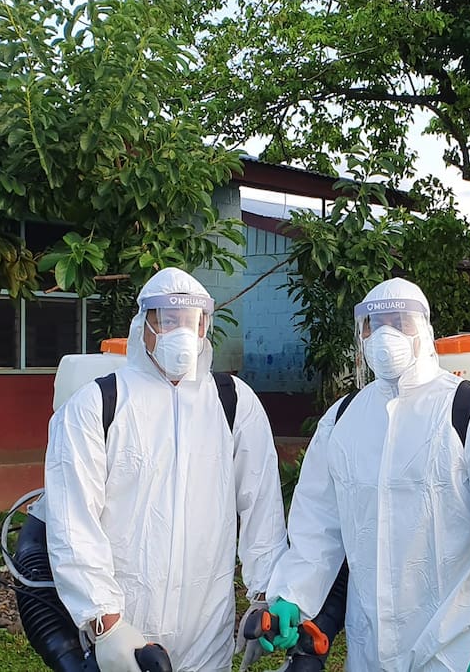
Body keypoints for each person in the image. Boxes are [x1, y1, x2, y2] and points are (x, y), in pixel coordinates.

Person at [261, 277, 470, 671]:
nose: (386, 334)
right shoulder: (342, 419)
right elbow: (318, 524)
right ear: (362, 334)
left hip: (459, 642)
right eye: (375, 324)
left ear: (424, 331)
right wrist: (294, 593)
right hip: (369, 643)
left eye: (400, 322)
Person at [41, 268, 287, 672]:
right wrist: (106, 622)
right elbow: (72, 521)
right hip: (128, 627)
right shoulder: (98, 404)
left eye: (192, 321)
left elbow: (262, 507)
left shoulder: (233, 403)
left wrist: (267, 595)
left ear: (206, 325)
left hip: (208, 624)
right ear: (144, 324)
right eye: (167, 319)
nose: (181, 332)